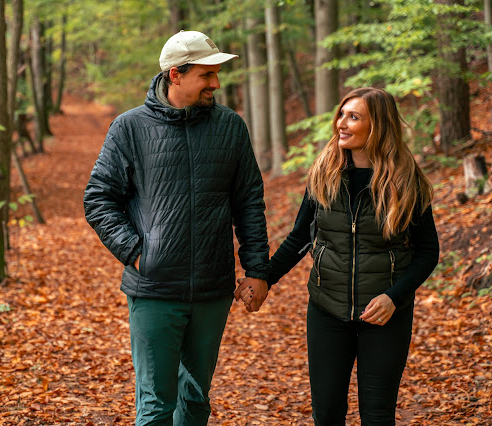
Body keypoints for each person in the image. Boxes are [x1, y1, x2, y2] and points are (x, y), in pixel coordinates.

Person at [83, 30, 270, 425]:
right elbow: (99, 198)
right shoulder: (129, 128)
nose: (216, 83)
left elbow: (249, 202)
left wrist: (257, 271)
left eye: (217, 74)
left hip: (212, 289)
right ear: (175, 75)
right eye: (207, 74)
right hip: (153, 289)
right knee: (155, 404)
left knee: (197, 398)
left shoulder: (230, 127)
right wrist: (135, 252)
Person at [236, 87, 439, 425]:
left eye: (353, 117)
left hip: (384, 316)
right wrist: (263, 278)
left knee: (377, 415)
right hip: (326, 311)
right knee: (327, 413)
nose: (341, 124)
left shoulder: (406, 182)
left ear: (378, 126)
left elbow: (428, 252)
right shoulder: (324, 175)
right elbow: (300, 238)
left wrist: (393, 297)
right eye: (341, 115)